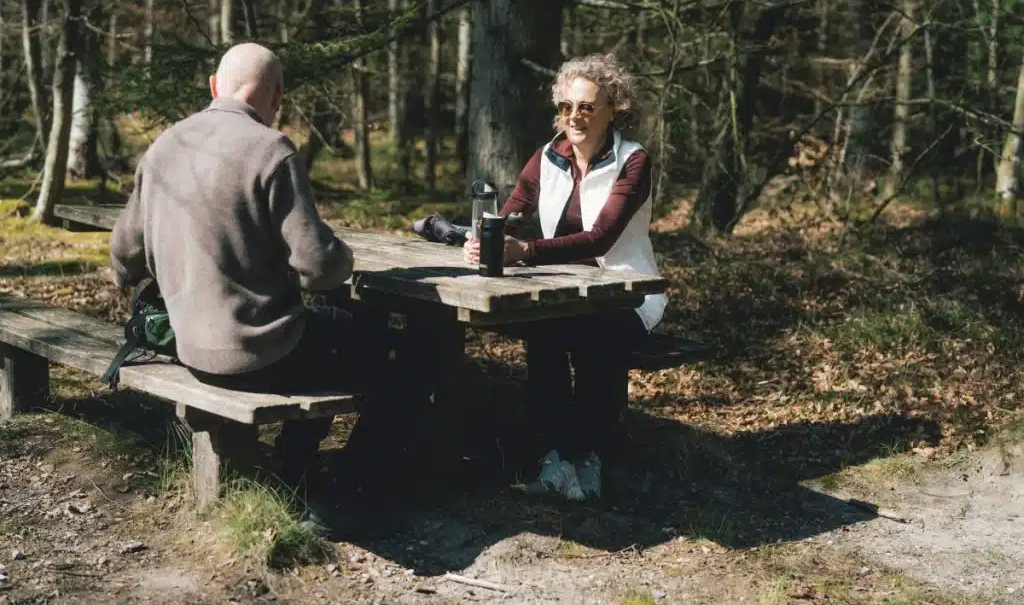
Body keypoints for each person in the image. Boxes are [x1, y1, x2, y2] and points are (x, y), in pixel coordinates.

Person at [109, 43, 429, 505]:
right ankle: (346, 490)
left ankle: (296, 462)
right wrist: (343, 253)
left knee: (335, 334)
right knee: (410, 363)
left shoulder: (165, 146)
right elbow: (320, 269)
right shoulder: (271, 151)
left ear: (214, 86)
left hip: (189, 347)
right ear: (278, 96)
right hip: (260, 353)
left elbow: (124, 255)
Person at [464, 53, 668, 501]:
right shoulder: (547, 157)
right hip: (563, 292)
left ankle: (592, 461)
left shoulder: (633, 162)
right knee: (546, 330)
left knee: (595, 337)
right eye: (567, 107)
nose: (574, 116)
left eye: (587, 106)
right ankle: (555, 461)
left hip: (629, 294)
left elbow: (600, 239)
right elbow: (512, 211)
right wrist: (487, 237)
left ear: (614, 109)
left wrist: (527, 252)